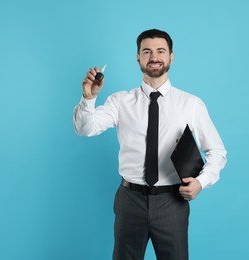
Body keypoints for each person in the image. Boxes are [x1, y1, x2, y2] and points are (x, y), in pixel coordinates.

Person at [73, 29, 227, 260]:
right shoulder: (120, 101)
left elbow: (216, 151)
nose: (154, 57)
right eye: (147, 51)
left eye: (160, 51)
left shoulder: (191, 104)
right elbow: (85, 128)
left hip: (172, 201)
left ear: (171, 57)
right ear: (138, 58)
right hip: (129, 200)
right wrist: (88, 98)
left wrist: (201, 182)